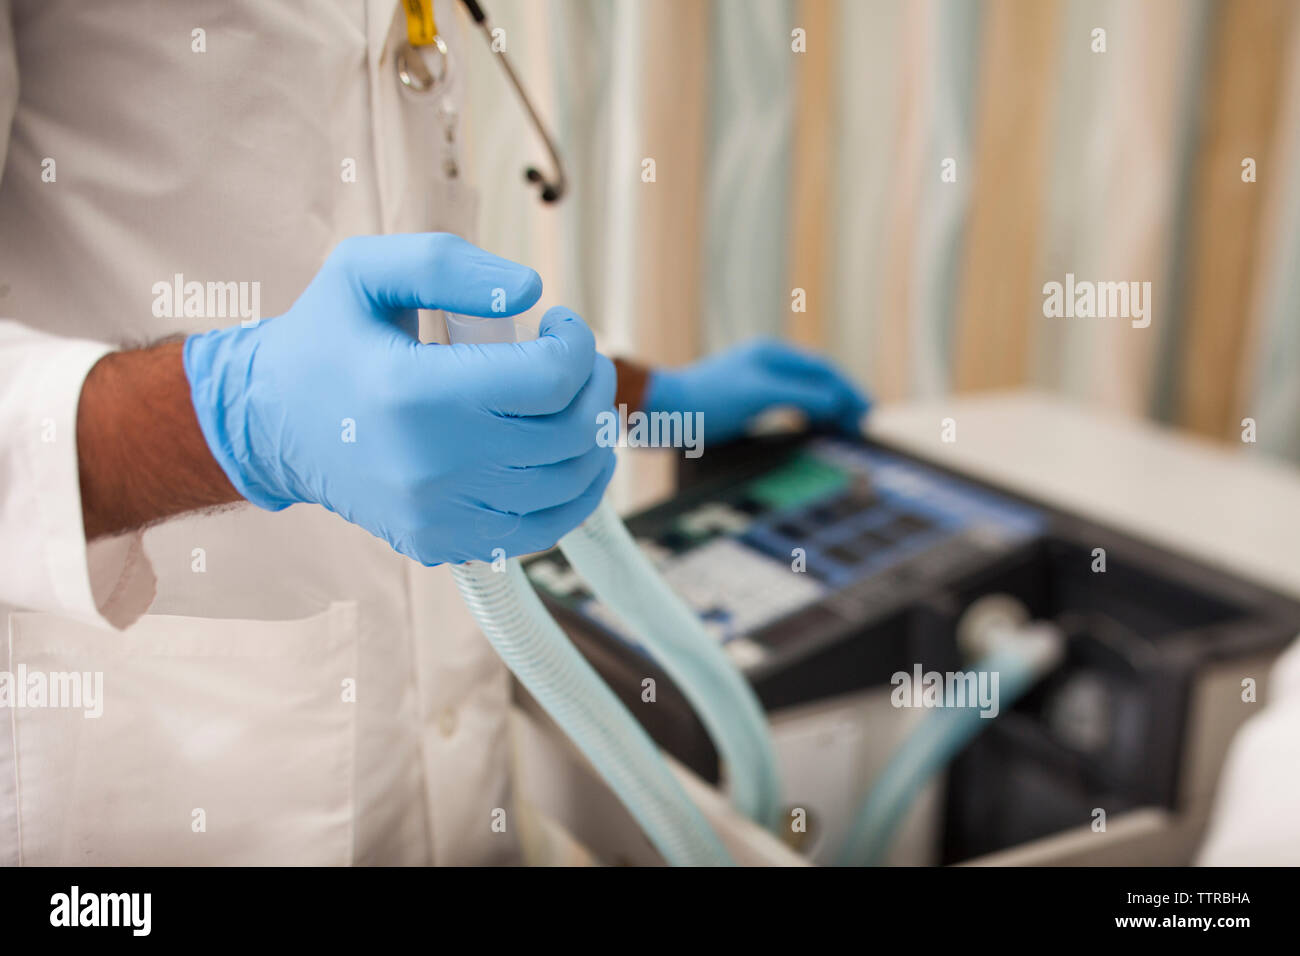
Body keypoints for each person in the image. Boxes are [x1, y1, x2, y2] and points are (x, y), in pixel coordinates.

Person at [0, 2, 868, 864]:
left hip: (448, 743)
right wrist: (237, 412)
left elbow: (403, 302)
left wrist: (646, 398)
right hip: (177, 744)